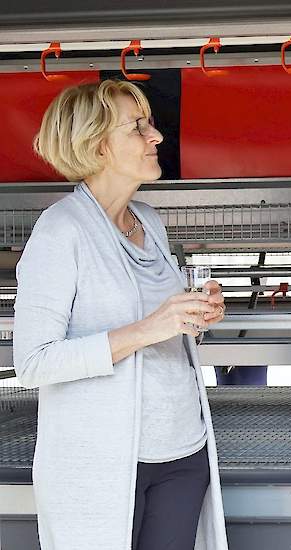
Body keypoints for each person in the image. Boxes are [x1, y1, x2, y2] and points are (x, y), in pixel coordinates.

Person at [14, 80, 228, 550]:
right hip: (104, 462)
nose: (157, 137)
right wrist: (149, 328)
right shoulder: (60, 231)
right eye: (138, 127)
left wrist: (197, 316)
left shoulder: (148, 220)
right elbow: (33, 362)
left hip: (181, 450)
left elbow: (166, 331)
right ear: (96, 146)